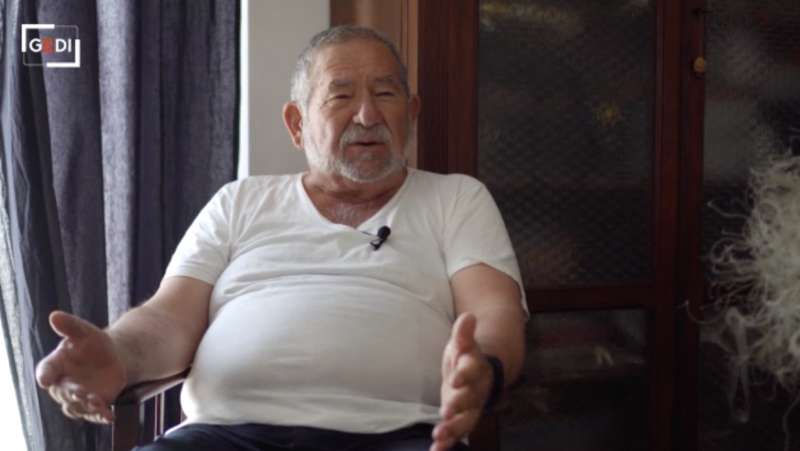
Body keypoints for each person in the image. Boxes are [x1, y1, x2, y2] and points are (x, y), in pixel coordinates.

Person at [35, 26, 528, 451]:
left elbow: (494, 312)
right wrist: (117, 352)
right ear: (297, 124)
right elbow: (168, 319)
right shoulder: (240, 202)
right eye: (340, 95)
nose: (367, 115)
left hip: (398, 434)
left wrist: (483, 370)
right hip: (223, 437)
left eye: (385, 93)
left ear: (411, 113)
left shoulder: (457, 198)